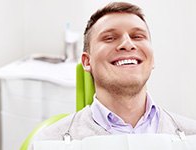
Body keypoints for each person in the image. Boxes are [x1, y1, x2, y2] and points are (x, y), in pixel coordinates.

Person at [30, 2, 196, 149]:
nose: (127, 44)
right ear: (87, 62)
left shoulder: (192, 135)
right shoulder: (49, 142)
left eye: (138, 36)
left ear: (152, 59)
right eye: (110, 38)